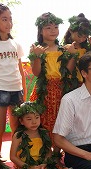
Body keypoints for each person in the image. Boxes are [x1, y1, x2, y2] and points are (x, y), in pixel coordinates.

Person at [28, 12, 77, 150]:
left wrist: (73, 55)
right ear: (41, 30)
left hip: (61, 90)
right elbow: (36, 72)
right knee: (44, 120)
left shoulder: (63, 49)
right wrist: (37, 56)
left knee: (60, 120)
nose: (53, 30)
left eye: (56, 27)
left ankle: (57, 152)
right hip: (44, 91)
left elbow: (68, 71)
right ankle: (45, 152)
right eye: (48, 27)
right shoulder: (36, 48)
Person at [0, 2, 26, 153]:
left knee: (17, 129)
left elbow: (21, 71)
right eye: (4, 19)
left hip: (16, 90)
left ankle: (17, 161)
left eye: (10, 19)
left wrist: (24, 91)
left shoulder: (15, 44)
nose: (9, 23)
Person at [62, 13, 91, 83]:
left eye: (85, 37)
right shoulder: (66, 48)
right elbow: (67, 71)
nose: (81, 39)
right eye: (79, 36)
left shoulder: (86, 48)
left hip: (86, 83)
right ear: (71, 31)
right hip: (71, 84)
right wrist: (73, 54)